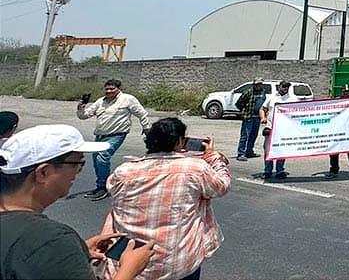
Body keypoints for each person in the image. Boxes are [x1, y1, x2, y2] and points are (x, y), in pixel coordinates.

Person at [0, 124, 154, 279]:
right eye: (78, 164)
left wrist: (73, 253)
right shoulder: (50, 239)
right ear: (43, 172)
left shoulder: (46, 244)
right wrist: (129, 269)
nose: (79, 171)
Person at [102, 117, 230, 280]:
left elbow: (113, 191)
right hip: (178, 265)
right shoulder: (195, 168)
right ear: (179, 142)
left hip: (130, 265)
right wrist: (213, 157)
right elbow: (222, 186)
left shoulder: (123, 171)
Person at [76, 79, 150, 201]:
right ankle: (100, 186)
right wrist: (80, 108)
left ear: (118, 88)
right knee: (96, 160)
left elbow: (142, 113)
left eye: (112, 89)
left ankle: (104, 188)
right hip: (100, 136)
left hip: (117, 135)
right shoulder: (100, 101)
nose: (109, 91)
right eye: (107, 89)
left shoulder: (128, 99)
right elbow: (84, 116)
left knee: (102, 157)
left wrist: (146, 127)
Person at [260, 80, 292, 180]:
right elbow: (262, 109)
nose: (285, 88)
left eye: (287, 87)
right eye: (284, 86)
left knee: (281, 150)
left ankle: (280, 171)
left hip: (283, 129)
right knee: (268, 150)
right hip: (270, 128)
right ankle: (267, 171)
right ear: (279, 87)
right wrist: (263, 118)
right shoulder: (272, 98)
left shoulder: (291, 99)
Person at [235, 78, 268, 161]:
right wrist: (244, 111)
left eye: (260, 84)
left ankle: (249, 152)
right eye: (257, 84)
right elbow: (239, 103)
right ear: (254, 84)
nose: (259, 86)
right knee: (245, 136)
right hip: (248, 117)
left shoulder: (263, 92)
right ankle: (241, 153)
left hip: (257, 117)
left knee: (254, 135)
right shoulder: (248, 92)